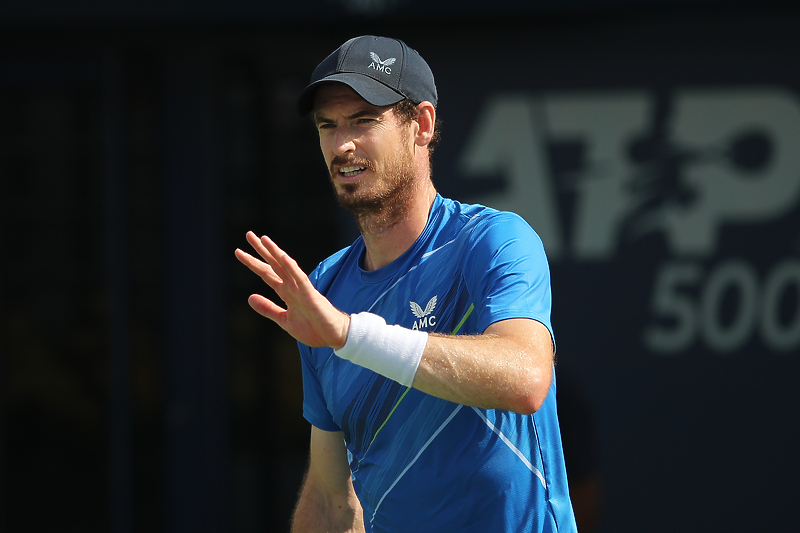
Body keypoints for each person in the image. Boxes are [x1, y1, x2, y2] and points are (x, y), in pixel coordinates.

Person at [235, 35, 577, 533]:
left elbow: (525, 378)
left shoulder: (493, 240)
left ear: (420, 125)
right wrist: (342, 331)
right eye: (327, 126)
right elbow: (333, 500)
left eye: (363, 120)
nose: (341, 143)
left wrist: (353, 336)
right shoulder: (324, 290)